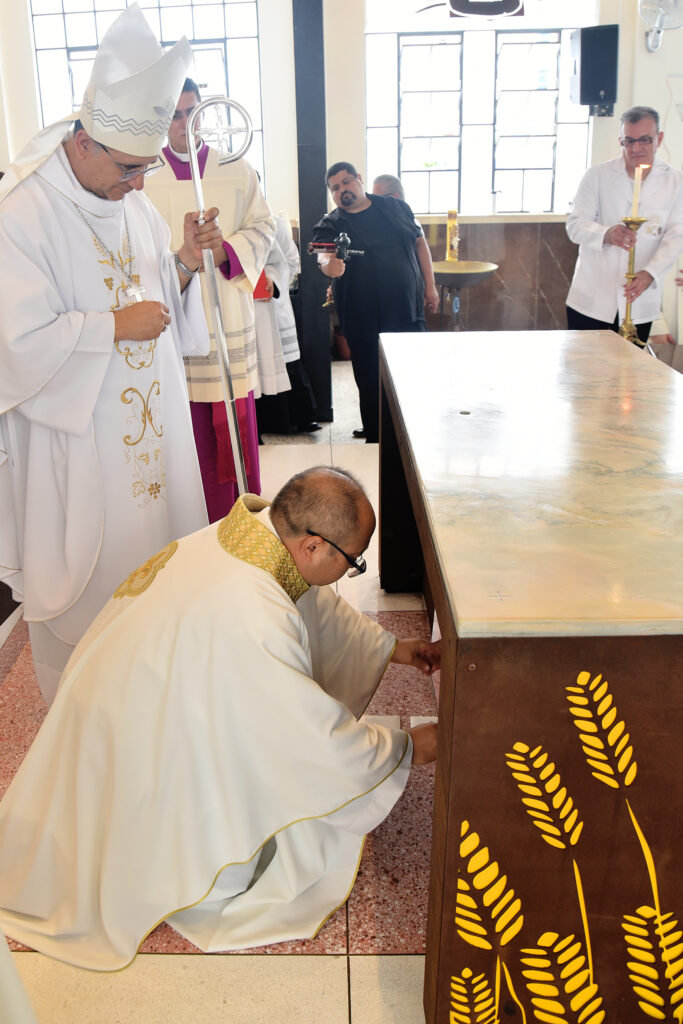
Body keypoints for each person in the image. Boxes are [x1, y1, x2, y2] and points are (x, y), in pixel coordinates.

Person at [0, 466, 439, 971]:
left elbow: (310, 602)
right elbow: (307, 738)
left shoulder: (251, 534)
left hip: (118, 688)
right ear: (314, 546)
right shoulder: (252, 617)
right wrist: (409, 747)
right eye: (353, 561)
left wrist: (397, 650)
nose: (351, 570)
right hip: (134, 733)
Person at [0, 5, 217, 705]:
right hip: (79, 446)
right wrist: (108, 328)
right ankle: (87, 724)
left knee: (161, 587)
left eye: (149, 167)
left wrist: (181, 263)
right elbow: (15, 344)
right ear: (85, 143)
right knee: (91, 616)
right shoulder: (20, 214)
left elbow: (159, 305)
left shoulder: (132, 204)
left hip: (152, 444)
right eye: (130, 167)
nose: (140, 184)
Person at [145, 78, 275, 521]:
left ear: (204, 113)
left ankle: (239, 529)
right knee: (180, 440)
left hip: (226, 324)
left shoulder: (236, 169)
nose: (184, 124)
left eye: (191, 113)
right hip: (170, 326)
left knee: (230, 438)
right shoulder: (143, 179)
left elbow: (263, 228)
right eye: (174, 115)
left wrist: (221, 249)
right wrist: (182, 257)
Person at [312, 162, 440, 443]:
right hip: (362, 319)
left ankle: (417, 435)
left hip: (406, 309)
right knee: (370, 382)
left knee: (414, 375)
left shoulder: (395, 208)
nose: (342, 189)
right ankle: (376, 438)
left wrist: (430, 286)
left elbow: (419, 243)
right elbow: (323, 255)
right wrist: (329, 267)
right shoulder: (331, 224)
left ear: (359, 179)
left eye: (346, 182)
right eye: (335, 187)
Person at [566, 105, 683, 345]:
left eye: (644, 140)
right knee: (586, 376)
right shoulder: (597, 176)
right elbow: (575, 225)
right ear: (621, 140)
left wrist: (650, 273)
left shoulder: (675, 181)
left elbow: (676, 235)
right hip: (591, 300)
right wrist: (606, 234)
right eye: (628, 141)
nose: (636, 148)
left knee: (629, 378)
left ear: (659, 138)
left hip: (639, 301)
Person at [254, 213, 321, 435]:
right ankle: (262, 422)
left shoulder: (275, 221)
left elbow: (290, 261)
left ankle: (300, 417)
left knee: (287, 361)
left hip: (270, 301)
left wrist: (274, 282)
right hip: (241, 304)